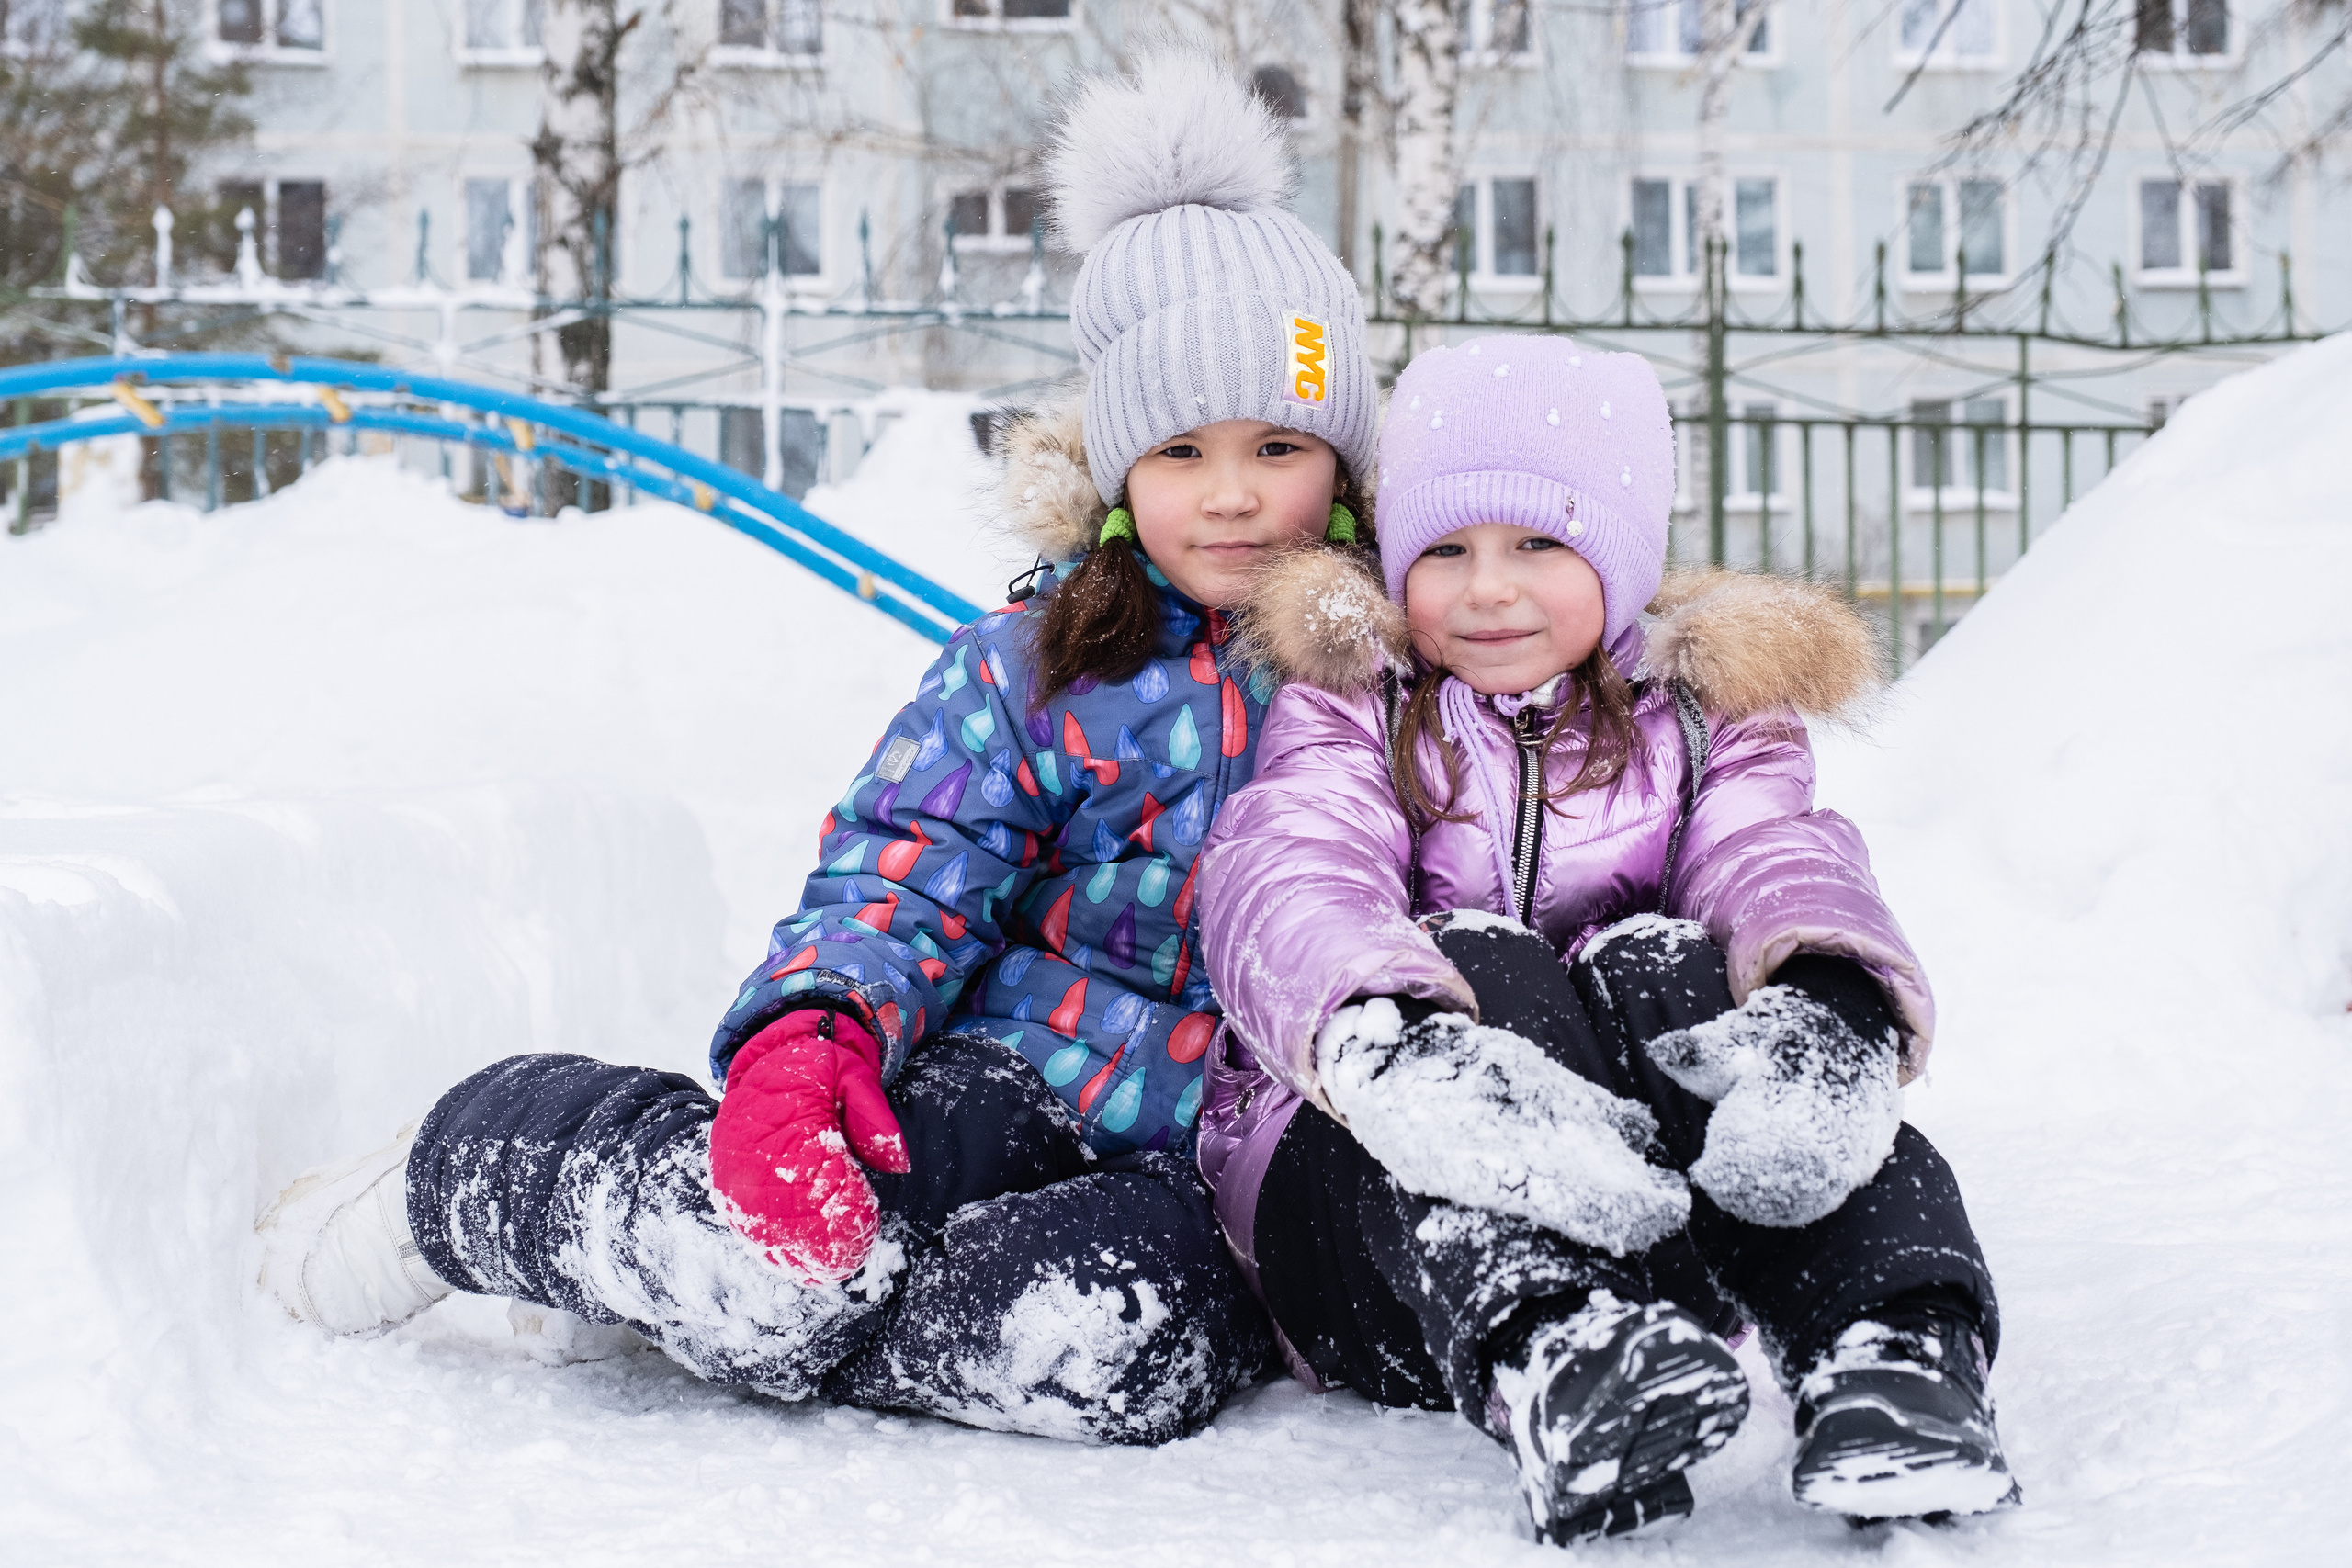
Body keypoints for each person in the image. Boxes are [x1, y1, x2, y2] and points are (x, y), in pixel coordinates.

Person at [253, 52, 1382, 1447]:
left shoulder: (1396, 679)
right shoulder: (1028, 669)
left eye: (1279, 444)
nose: (1231, 495)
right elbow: (905, 872)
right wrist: (816, 1029)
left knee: (1110, 1355)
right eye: (1181, 451)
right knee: (786, 1260)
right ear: (1117, 472)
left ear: (1343, 460)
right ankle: (502, 1168)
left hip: (1204, 1162)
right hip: (1007, 1073)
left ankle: (673, 1285)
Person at [1195, 334, 2018, 1536]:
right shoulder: (1355, 698)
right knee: (1479, 960)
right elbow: (1294, 860)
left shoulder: (1709, 706)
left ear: (1623, 554)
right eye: (1447, 550)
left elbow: (1768, 849)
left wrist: (1829, 993)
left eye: (1540, 543)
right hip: (1367, 1222)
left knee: (1671, 967)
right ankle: (1559, 1358)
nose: (1488, 588)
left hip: (1652, 1236)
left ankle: (1890, 1350)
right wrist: (1387, 1032)